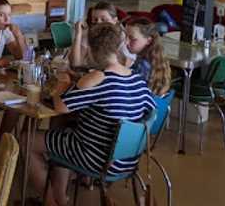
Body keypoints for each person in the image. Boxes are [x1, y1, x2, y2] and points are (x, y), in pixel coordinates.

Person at [27, 23, 156, 206]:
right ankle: (60, 196)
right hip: (127, 160)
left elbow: (60, 106)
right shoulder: (138, 80)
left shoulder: (99, 78)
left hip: (96, 157)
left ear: (91, 50)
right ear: (120, 48)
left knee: (27, 140)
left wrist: (62, 82)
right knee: (65, 132)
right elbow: (151, 112)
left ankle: (50, 202)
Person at [70, 1, 135, 68]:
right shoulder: (90, 33)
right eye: (95, 19)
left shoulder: (122, 37)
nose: (99, 22)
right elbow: (76, 64)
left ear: (115, 20)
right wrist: (78, 34)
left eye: (103, 19)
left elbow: (125, 65)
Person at [125, 18, 173, 96]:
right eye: (125, 37)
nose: (126, 42)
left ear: (148, 41)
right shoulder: (158, 57)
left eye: (132, 39)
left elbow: (131, 92)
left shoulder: (142, 65)